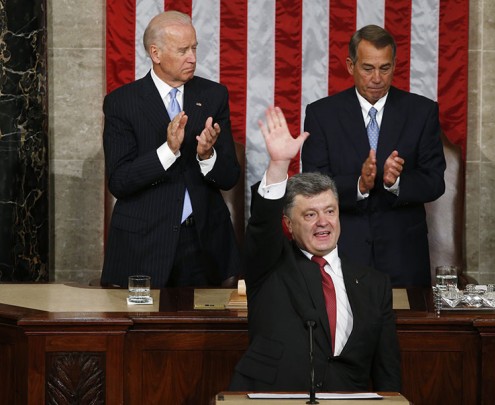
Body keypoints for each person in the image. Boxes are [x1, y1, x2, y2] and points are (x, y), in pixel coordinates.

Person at [229, 106, 401, 392]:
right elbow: (261, 228)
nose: (323, 222)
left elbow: (387, 370)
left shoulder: (375, 285)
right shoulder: (270, 267)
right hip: (276, 395)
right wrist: (279, 165)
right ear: (288, 224)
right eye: (310, 214)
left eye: (330, 211)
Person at [101, 11, 240, 288]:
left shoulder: (213, 96)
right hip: (144, 244)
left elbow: (229, 177)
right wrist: (168, 150)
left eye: (194, 48)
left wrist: (207, 156)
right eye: (182, 50)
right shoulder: (122, 102)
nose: (193, 58)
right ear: (156, 53)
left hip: (203, 245)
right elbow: (120, 181)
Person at [302, 25, 446, 287]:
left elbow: (435, 181)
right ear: (351, 66)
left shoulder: (422, 112)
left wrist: (396, 182)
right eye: (368, 68)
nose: (377, 78)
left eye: (385, 68)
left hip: (403, 255)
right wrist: (359, 184)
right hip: (344, 252)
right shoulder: (322, 115)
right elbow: (313, 184)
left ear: (394, 65)